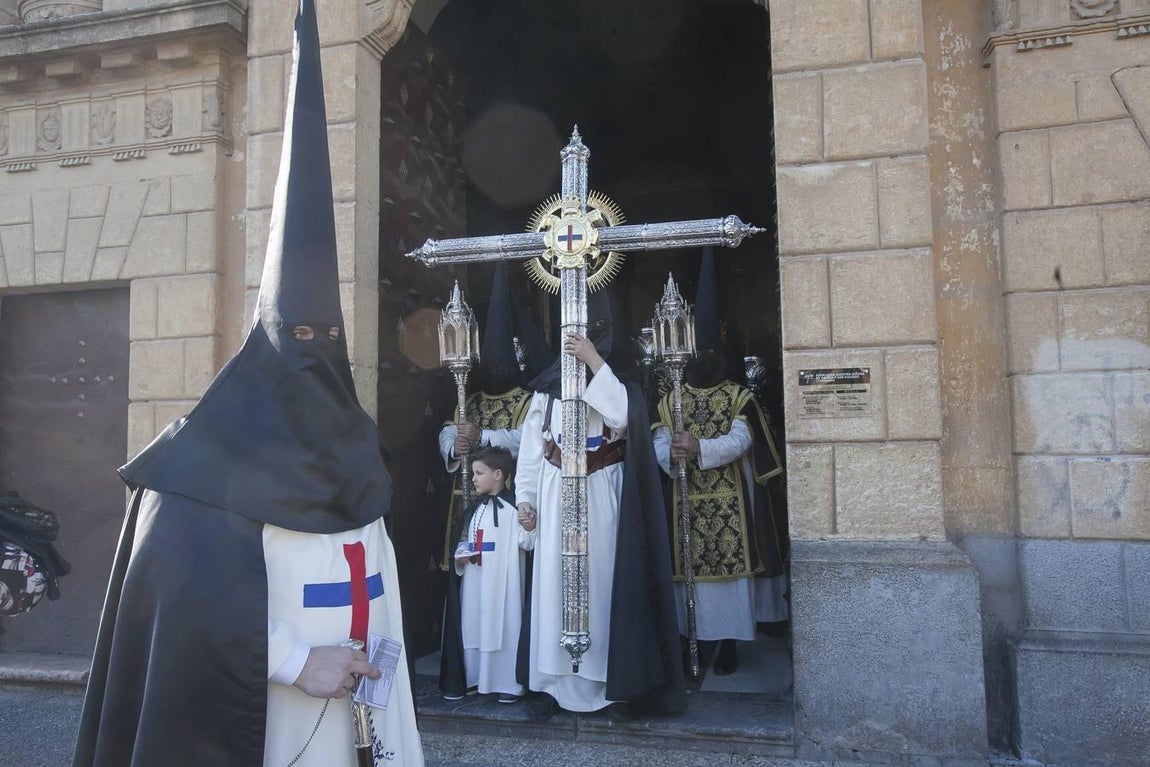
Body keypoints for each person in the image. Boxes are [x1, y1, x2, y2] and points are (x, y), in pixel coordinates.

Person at [71, 3, 423, 766]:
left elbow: (376, 580)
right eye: (296, 336)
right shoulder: (195, 468)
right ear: (260, 344)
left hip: (363, 723)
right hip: (256, 729)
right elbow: (180, 605)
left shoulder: (359, 454)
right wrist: (298, 661)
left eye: (327, 338)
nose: (315, 352)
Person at [516, 291, 685, 713]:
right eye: (573, 336)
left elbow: (621, 419)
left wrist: (594, 363)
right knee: (555, 582)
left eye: (590, 335)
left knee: (603, 579)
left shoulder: (618, 379)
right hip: (556, 493)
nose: (579, 341)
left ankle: (605, 678)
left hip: (601, 488)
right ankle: (556, 681)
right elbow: (532, 449)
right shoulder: (546, 389)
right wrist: (526, 499)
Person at [652, 250, 786, 677]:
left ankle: (727, 642)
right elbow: (657, 436)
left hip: (729, 498)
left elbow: (744, 439)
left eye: (712, 349)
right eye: (699, 349)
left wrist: (700, 449)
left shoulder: (736, 395)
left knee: (728, 581)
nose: (703, 356)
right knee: (683, 571)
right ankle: (690, 638)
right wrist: (670, 452)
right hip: (683, 498)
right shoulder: (672, 397)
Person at [437, 263, 538, 698]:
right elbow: (447, 429)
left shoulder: (527, 399)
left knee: (509, 592)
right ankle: (467, 668)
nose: (497, 370)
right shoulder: (469, 398)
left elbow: (526, 439)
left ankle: (506, 672)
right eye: (491, 363)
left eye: (504, 362)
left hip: (509, 507)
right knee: (468, 592)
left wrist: (484, 437)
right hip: (468, 507)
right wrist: (454, 444)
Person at [441, 446, 535, 703]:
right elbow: (464, 540)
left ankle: (507, 683)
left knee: (505, 625)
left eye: (478, 473)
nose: (473, 479)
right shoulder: (473, 508)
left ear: (498, 474)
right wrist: (461, 555)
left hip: (505, 583)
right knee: (473, 625)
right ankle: (473, 678)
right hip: (475, 580)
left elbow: (527, 544)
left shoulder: (514, 508)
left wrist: (530, 526)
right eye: (472, 473)